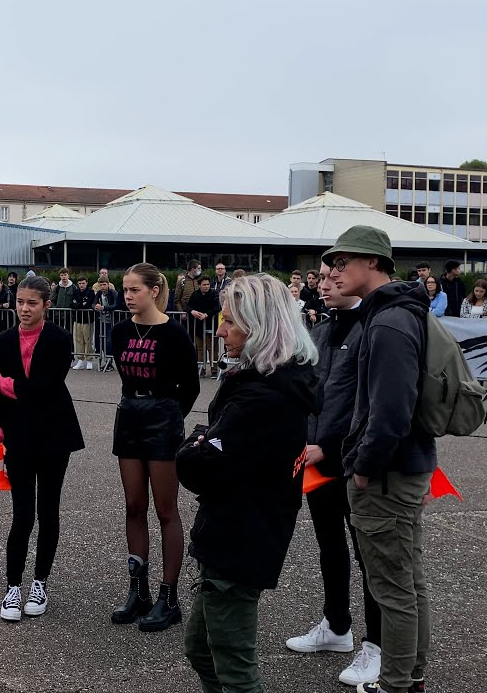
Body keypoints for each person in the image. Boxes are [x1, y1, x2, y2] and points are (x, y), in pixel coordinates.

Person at [179, 274, 319, 693]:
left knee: (233, 665)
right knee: (201, 648)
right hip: (232, 531)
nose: (220, 330)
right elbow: (209, 446)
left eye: (230, 322)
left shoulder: (263, 396)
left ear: (260, 328)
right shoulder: (263, 384)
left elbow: (195, 466)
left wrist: (195, 446)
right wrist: (202, 443)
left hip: (241, 538)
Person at [322, 225, 434, 693]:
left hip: (385, 475)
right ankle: (411, 675)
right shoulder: (395, 314)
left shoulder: (387, 322)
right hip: (403, 467)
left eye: (343, 261)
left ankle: (394, 683)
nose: (334, 271)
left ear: (373, 263)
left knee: (391, 588)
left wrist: (363, 467)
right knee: (408, 581)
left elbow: (389, 411)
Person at [286, 264, 382, 688]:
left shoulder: (375, 328)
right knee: (330, 544)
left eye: (331, 276)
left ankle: (377, 647)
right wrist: (308, 441)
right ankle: (337, 626)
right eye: (320, 277)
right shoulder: (323, 329)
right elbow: (313, 390)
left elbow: (366, 398)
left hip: (352, 459)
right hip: (318, 459)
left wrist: (329, 441)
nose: (323, 284)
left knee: (370, 557)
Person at [0, 275, 84, 621]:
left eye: (32, 303)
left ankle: (40, 582)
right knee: (22, 514)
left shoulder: (59, 339)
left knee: (48, 512)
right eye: (20, 302)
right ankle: (13, 587)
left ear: (46, 305)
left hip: (55, 435)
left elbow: (44, 388)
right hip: (18, 436)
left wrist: (2, 382)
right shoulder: (3, 341)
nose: (24, 309)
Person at [110, 263, 201, 632]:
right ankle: (139, 590)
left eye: (134, 290)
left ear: (153, 290)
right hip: (129, 414)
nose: (128, 296)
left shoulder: (175, 334)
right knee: (133, 505)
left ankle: (169, 596)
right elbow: (124, 374)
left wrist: (170, 415)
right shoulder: (119, 332)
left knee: (166, 510)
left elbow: (191, 386)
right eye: (125, 289)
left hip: (163, 418)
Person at [187, 277, 221, 372]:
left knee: (213, 348)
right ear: (199, 285)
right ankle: (201, 367)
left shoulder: (214, 294)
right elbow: (188, 306)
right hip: (198, 327)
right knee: (200, 348)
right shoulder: (195, 294)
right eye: (204, 284)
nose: (206, 286)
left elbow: (218, 306)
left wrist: (207, 314)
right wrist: (192, 311)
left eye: (208, 284)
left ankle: (214, 368)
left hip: (212, 326)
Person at [71, 276, 96, 370]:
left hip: (87, 320)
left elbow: (89, 303)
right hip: (77, 319)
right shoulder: (76, 291)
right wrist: (80, 304)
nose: (81, 285)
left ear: (86, 283)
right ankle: (80, 360)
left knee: (88, 340)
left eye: (83, 283)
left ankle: (89, 360)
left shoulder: (91, 292)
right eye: (80, 283)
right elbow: (73, 304)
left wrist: (79, 305)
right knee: (78, 340)